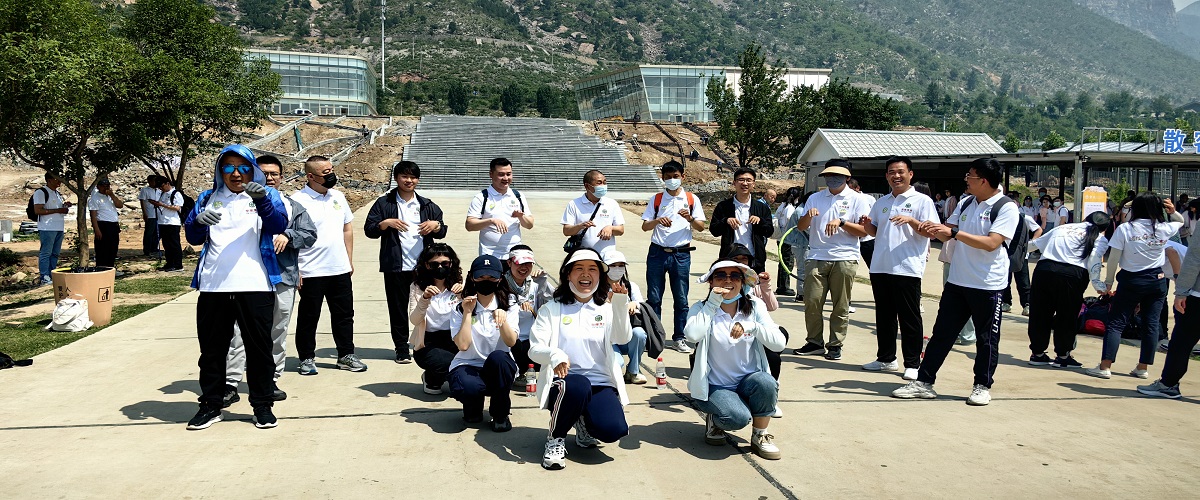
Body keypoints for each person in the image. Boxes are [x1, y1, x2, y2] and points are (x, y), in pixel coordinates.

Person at [893, 158, 1021, 406]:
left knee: (986, 339)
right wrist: (919, 224)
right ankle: (924, 382)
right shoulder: (966, 203)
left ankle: (982, 385)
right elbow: (945, 232)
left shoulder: (1006, 207)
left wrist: (953, 233)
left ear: (983, 180)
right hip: (958, 281)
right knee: (942, 334)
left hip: (987, 285)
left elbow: (991, 243)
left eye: (969, 176)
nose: (966, 180)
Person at [182, 144, 289, 430]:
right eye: (228, 167)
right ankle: (211, 405)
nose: (236, 173)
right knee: (212, 351)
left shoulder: (268, 195)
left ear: (252, 169)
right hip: (214, 286)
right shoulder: (207, 197)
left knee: (259, 350)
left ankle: (262, 405)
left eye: (242, 167)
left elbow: (278, 225)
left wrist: (262, 201)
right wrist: (197, 223)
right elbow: (193, 237)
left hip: (255, 285)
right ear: (220, 171)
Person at [222, 154, 317, 407]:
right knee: (238, 332)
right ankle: (230, 383)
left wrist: (289, 235)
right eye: (264, 173)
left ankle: (270, 380)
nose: (270, 178)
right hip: (246, 279)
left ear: (282, 177)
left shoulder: (292, 206)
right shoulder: (237, 203)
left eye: (274, 174)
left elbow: (310, 234)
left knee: (277, 331)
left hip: (282, 277)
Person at [529, 248, 632, 470]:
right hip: (565, 383)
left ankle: (583, 422)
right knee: (578, 385)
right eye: (579, 268)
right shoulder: (552, 309)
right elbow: (535, 349)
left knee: (613, 430)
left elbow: (622, 338)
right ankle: (555, 438)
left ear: (600, 275)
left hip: (600, 383)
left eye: (592, 269)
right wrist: (555, 355)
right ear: (568, 274)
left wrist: (620, 304)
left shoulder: (606, 309)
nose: (586, 274)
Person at [685, 259, 786, 460]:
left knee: (766, 382)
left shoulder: (755, 306)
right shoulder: (701, 308)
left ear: (743, 282)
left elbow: (779, 344)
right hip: (716, 387)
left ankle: (760, 435)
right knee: (737, 418)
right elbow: (692, 335)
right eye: (720, 276)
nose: (728, 280)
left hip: (748, 383)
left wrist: (754, 327)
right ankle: (716, 420)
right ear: (711, 282)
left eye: (735, 276)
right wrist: (712, 303)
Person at [1086, 193, 1184, 379]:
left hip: (1131, 280)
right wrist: (1172, 211)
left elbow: (1113, 258)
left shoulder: (1125, 229)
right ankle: (1142, 367)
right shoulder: (1163, 227)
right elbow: (1180, 222)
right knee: (1151, 324)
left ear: (1135, 209)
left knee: (1116, 322)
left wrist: (1109, 281)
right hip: (1157, 281)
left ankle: (1105, 366)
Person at [859, 156, 937, 381]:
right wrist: (867, 225)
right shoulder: (882, 202)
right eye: (892, 172)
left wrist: (911, 220)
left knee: (909, 317)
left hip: (907, 267)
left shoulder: (922, 201)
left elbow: (931, 232)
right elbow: (875, 231)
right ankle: (886, 358)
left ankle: (912, 363)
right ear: (886, 176)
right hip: (881, 265)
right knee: (884, 316)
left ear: (910, 174)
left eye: (901, 171)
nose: (896, 176)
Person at [364, 161, 447, 364]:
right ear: (396, 178)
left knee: (430, 305)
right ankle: (401, 348)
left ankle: (427, 343)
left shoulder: (426, 204)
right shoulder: (384, 203)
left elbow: (442, 230)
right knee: (398, 308)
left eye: (413, 177)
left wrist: (436, 225)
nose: (409, 180)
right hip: (396, 266)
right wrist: (385, 223)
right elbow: (369, 230)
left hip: (425, 268)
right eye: (405, 176)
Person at [292, 155, 366, 374]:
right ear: (311, 176)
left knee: (344, 315)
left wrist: (348, 259)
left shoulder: (338, 197)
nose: (331, 175)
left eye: (331, 170)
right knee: (309, 317)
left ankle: (346, 355)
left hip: (339, 268)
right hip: (310, 270)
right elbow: (291, 236)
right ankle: (306, 358)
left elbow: (347, 229)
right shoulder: (297, 200)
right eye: (325, 173)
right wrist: (296, 269)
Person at [793, 160, 871, 361]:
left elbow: (864, 231)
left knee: (840, 304)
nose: (832, 179)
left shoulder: (858, 199)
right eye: (829, 175)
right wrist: (808, 216)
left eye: (837, 176)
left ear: (847, 177)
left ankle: (835, 344)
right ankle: (814, 342)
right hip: (817, 255)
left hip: (845, 257)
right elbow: (801, 226)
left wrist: (842, 222)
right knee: (812, 301)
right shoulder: (815, 198)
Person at [1025, 211, 1110, 369]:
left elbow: (1034, 245)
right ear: (1104, 228)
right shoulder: (1100, 238)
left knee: (1040, 313)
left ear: (1085, 219)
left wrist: (1014, 250)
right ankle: (1063, 355)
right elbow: (1094, 260)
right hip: (1073, 275)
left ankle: (1037, 353)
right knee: (1067, 315)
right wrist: (1098, 284)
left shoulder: (1062, 228)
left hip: (1045, 270)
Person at [448, 255, 520, 430]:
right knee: (468, 391)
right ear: (472, 277)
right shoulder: (460, 307)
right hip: (468, 364)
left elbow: (511, 342)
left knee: (499, 358)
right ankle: (473, 407)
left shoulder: (509, 304)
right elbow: (463, 345)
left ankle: (500, 414)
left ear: (500, 278)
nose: (486, 281)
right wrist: (467, 313)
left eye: (491, 277)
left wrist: (503, 321)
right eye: (480, 277)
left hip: (497, 367)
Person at [641, 160, 706, 354]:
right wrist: (656, 220)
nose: (672, 180)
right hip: (657, 252)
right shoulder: (657, 199)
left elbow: (701, 227)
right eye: (668, 177)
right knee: (654, 298)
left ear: (683, 177)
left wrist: (690, 218)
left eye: (675, 176)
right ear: (662, 178)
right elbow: (644, 226)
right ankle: (655, 337)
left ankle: (679, 337)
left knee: (681, 298)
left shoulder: (691, 199)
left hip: (681, 254)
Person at [1138, 228, 1200, 398]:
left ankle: (1168, 384)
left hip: (1197, 295)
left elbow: (1195, 258)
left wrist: (1181, 291)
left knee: (1181, 343)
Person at [409, 243, 465, 395]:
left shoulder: (459, 285)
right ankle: (431, 378)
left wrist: (463, 297)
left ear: (451, 263)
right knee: (447, 363)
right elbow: (414, 320)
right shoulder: (417, 287)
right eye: (434, 264)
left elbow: (472, 316)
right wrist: (424, 298)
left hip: (454, 338)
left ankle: (449, 375)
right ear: (427, 265)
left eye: (444, 263)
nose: (440, 267)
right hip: (428, 342)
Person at [709, 167, 774, 283]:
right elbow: (714, 230)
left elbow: (769, 231)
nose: (745, 183)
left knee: (754, 292)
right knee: (731, 290)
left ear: (753, 184)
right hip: (729, 259)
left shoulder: (761, 208)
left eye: (749, 180)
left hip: (754, 260)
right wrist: (726, 221)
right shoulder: (723, 206)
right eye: (741, 180)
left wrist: (760, 221)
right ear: (734, 183)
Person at [465, 157, 533, 258]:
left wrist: (521, 216)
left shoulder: (518, 196)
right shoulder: (482, 197)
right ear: (491, 174)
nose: (505, 178)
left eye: (508, 174)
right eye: (501, 174)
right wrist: (491, 221)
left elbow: (530, 225)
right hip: (489, 255)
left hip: (514, 255)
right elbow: (469, 225)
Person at [504, 244, 555, 373]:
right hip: (508, 339)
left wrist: (543, 282)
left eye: (528, 263)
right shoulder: (500, 283)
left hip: (531, 339)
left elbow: (556, 300)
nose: (524, 268)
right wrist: (518, 304)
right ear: (509, 263)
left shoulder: (535, 282)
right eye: (519, 263)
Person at [602, 249, 649, 384]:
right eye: (613, 265)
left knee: (639, 334)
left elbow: (642, 304)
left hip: (626, 334)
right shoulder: (597, 288)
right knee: (617, 363)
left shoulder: (631, 286)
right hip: (608, 337)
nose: (617, 269)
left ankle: (633, 371)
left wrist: (635, 304)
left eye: (621, 265)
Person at [561, 169, 625, 256]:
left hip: (607, 255)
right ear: (587, 186)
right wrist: (580, 226)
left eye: (604, 182)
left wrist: (610, 228)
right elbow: (566, 231)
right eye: (599, 183)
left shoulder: (612, 203)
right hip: (583, 255)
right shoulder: (574, 204)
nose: (603, 186)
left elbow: (621, 230)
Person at [1000, 212, 1042, 315]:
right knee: (1005, 280)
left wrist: (1031, 243)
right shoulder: (1002, 216)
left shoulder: (1025, 218)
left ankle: (1027, 304)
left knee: (1023, 281)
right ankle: (1006, 302)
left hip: (1021, 255)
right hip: (1004, 254)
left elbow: (1038, 229)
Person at [32, 173, 71, 284]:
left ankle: (51, 274)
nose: (59, 181)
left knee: (55, 253)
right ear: (49, 180)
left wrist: (64, 207)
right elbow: (38, 210)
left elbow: (56, 209)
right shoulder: (41, 192)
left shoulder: (57, 193)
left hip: (58, 226)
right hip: (47, 227)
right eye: (56, 179)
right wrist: (58, 210)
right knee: (46, 252)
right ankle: (44, 276)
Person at [149, 177, 184, 272]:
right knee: (166, 244)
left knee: (174, 244)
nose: (161, 188)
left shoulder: (176, 194)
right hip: (162, 222)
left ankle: (178, 265)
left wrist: (162, 205)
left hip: (172, 222)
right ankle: (169, 263)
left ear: (167, 183)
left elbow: (177, 208)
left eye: (162, 186)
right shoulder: (162, 194)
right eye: (159, 187)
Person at [88, 179, 124, 269]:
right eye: (103, 186)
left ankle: (110, 268)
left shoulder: (110, 197)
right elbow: (93, 216)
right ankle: (101, 268)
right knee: (103, 249)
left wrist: (112, 195)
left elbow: (120, 205)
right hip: (103, 225)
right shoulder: (95, 198)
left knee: (113, 248)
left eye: (107, 186)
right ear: (98, 187)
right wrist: (97, 230)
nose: (106, 188)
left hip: (113, 225)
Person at [774, 187, 801, 296]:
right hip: (787, 239)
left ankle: (781, 285)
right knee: (787, 263)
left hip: (780, 238)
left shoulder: (782, 206)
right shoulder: (790, 208)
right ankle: (784, 286)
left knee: (782, 263)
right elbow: (791, 222)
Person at [138, 174, 162, 256]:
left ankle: (154, 247)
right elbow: (142, 202)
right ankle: (147, 249)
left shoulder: (159, 190)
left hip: (159, 214)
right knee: (149, 232)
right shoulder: (145, 190)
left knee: (157, 232)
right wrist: (144, 213)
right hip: (150, 214)